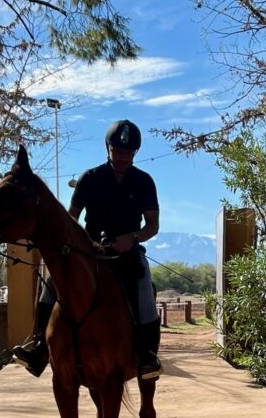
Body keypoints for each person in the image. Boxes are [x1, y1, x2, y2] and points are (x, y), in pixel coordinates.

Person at [12, 119, 163, 381]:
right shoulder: (90, 178)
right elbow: (71, 218)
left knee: (143, 288)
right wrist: (84, 242)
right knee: (51, 284)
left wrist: (133, 237)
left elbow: (152, 226)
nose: (123, 157)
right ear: (108, 148)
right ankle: (38, 345)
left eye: (129, 153)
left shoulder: (144, 182)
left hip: (127, 252)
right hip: (88, 251)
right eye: (118, 151)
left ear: (135, 153)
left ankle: (147, 356)